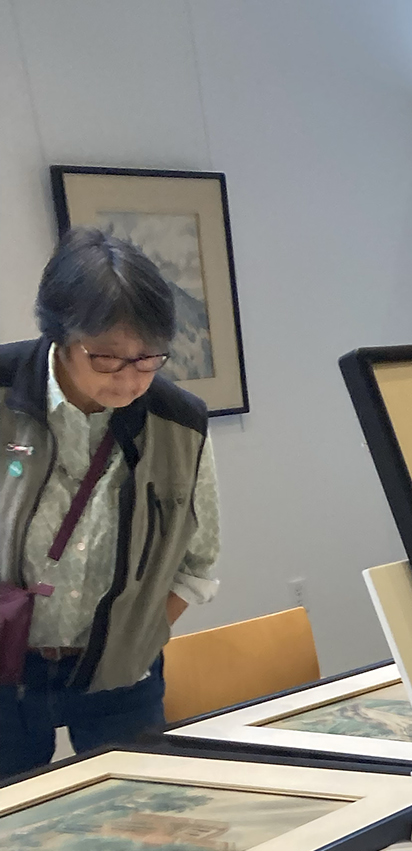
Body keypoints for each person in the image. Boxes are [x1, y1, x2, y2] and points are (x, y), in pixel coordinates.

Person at [0, 227, 220, 777]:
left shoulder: (180, 422)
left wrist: (138, 635)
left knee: (140, 820)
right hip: (6, 670)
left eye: (148, 360)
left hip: (118, 673)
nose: (128, 380)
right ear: (59, 336)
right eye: (106, 359)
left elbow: (197, 559)